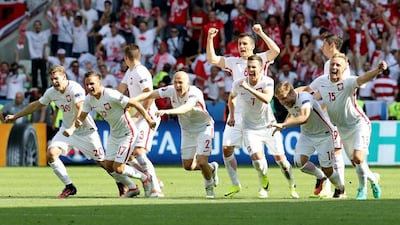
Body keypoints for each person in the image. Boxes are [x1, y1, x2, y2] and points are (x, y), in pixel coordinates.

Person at [4, 65, 135, 198]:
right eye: (52, 79)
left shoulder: (75, 88)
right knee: (51, 154)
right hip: (66, 131)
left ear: (64, 77)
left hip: (86, 132)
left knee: (104, 164)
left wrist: (72, 128)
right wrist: (15, 116)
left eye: (56, 79)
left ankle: (124, 183)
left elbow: (80, 108)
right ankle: (69, 186)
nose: (54, 82)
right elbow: (37, 104)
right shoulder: (51, 92)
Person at [206, 24, 292, 198]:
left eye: (245, 43)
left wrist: (261, 33)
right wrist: (209, 38)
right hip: (238, 112)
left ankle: (264, 184)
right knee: (226, 148)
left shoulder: (260, 59)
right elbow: (213, 59)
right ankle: (235, 184)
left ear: (252, 46)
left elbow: (275, 50)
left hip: (259, 112)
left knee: (264, 156)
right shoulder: (233, 62)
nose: (242, 47)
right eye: (239, 44)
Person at [65, 71, 157, 198]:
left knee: (118, 168)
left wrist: (148, 119)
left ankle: (144, 178)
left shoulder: (111, 94)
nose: (89, 87)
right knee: (108, 166)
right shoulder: (89, 99)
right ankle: (132, 187)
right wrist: (72, 128)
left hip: (128, 133)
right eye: (87, 84)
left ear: (99, 82)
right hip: (114, 134)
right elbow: (81, 117)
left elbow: (134, 103)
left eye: (92, 83)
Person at [308, 53, 383, 200]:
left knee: (357, 157)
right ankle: (374, 180)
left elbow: (363, 78)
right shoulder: (322, 81)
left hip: (358, 124)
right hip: (342, 129)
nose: (334, 67)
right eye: (332, 64)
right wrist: (291, 97)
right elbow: (309, 94)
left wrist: (377, 70)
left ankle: (362, 190)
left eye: (338, 65)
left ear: (344, 68)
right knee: (357, 162)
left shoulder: (349, 82)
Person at [133, 71, 219, 199]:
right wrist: (133, 100)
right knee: (188, 166)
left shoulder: (194, 93)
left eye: (181, 82)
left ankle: (209, 187)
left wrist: (167, 111)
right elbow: (152, 93)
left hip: (204, 128)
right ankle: (211, 168)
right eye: (175, 82)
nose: (177, 85)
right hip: (187, 130)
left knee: (201, 161)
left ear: (188, 83)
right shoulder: (171, 90)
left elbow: (186, 108)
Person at [227, 55, 298, 199]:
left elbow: (267, 99)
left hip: (269, 126)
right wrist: (232, 115)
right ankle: (263, 183)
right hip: (249, 128)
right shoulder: (238, 83)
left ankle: (292, 186)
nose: (251, 69)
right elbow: (231, 98)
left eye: (254, 67)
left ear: (260, 69)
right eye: (249, 67)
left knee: (282, 162)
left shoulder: (268, 82)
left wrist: (248, 88)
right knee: (258, 160)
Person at [272, 81, 346, 198]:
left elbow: (304, 117)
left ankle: (340, 188)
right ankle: (320, 176)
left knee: (328, 169)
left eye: (284, 98)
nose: (282, 102)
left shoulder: (305, 99)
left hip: (324, 135)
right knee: (299, 162)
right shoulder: (288, 101)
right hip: (307, 135)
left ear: (292, 93)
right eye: (279, 99)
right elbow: (292, 113)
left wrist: (283, 124)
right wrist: (285, 123)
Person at [116, 44, 164, 197]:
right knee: (128, 156)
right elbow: (120, 91)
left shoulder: (141, 71)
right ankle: (154, 179)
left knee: (138, 151)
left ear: (125, 58)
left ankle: (156, 188)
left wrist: (140, 115)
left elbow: (149, 94)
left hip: (147, 116)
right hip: (136, 116)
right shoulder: (130, 71)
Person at [24, 20, 51, 91]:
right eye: (35, 25)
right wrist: (24, 21)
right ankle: (34, 91)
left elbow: (55, 27)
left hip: (42, 58)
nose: (37, 26)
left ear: (41, 26)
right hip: (34, 58)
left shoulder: (45, 33)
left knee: (43, 76)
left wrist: (47, 18)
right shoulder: (30, 34)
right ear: (34, 27)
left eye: (39, 25)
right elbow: (20, 31)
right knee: (34, 75)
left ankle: (45, 90)